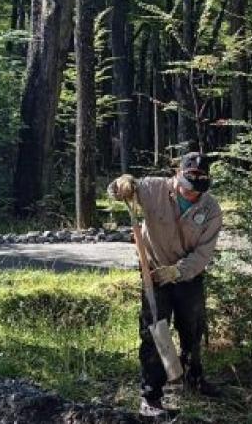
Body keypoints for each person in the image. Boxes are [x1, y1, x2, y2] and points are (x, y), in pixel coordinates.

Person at [107, 152, 222, 417]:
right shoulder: (153, 189)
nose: (192, 194)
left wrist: (178, 271)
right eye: (188, 186)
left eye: (198, 189)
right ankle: (151, 396)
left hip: (188, 277)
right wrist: (121, 184)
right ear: (177, 175)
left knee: (192, 329)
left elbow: (203, 253)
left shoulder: (211, 209)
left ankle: (193, 378)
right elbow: (117, 191)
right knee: (154, 332)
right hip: (153, 275)